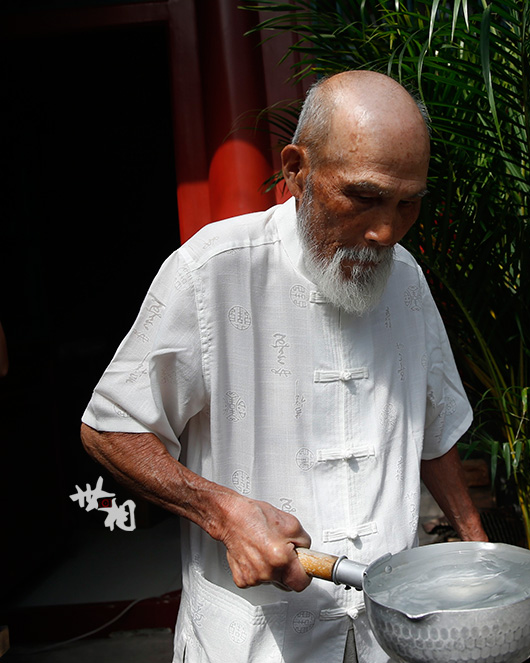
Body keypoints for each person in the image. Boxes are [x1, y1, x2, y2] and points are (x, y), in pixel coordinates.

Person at [80, 70, 487, 663]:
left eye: (408, 204)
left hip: (388, 635)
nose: (384, 231)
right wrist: (223, 512)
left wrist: (479, 553)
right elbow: (109, 428)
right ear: (297, 170)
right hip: (254, 642)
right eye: (364, 197)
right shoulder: (211, 272)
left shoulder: (407, 280)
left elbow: (433, 427)